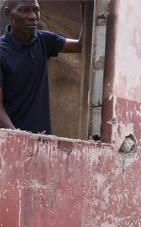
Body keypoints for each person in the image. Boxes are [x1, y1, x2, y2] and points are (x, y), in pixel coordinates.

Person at [0, 0, 85, 135]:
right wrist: (17, 138)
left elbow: (82, 45)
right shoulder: (1, 52)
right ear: (8, 13)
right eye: (25, 10)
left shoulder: (43, 40)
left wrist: (84, 6)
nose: (33, 16)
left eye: (36, 10)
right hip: (9, 143)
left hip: (43, 142)